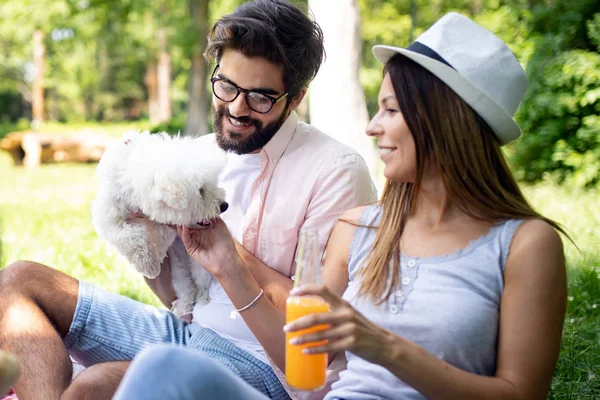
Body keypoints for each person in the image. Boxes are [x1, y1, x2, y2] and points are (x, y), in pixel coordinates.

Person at [113, 12, 568, 400]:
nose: (372, 127)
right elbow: (301, 368)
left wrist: (383, 346)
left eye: (390, 110)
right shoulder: (361, 228)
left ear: (445, 122)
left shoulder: (525, 243)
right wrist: (226, 264)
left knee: (154, 371)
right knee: (159, 369)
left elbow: (522, 393)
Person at [0, 1, 376, 399]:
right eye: (227, 86)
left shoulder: (336, 171)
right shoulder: (199, 155)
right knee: (18, 282)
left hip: (268, 371)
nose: (235, 108)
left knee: (95, 386)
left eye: (260, 98)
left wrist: (232, 260)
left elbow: (319, 344)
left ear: (296, 98)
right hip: (189, 333)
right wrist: (141, 227)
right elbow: (177, 297)